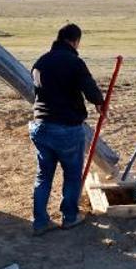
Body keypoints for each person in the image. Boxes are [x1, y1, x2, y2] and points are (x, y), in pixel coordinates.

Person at [28, 23, 104, 236]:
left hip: (41, 127)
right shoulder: (74, 62)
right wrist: (100, 101)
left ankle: (40, 222)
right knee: (72, 175)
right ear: (74, 41)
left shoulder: (41, 62)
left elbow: (38, 91)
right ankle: (70, 217)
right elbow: (91, 91)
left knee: (43, 176)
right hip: (67, 129)